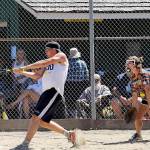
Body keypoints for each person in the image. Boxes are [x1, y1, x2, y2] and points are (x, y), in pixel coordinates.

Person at [12, 41, 78, 149]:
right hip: (46, 92)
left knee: (35, 117)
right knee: (42, 121)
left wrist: (24, 67)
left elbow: (44, 62)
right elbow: (37, 76)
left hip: (54, 91)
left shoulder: (61, 56)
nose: (45, 52)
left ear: (53, 49)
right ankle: (69, 134)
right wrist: (21, 72)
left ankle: (25, 144)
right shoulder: (48, 64)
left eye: (47, 50)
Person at [124, 56, 150, 143]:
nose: (128, 65)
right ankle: (138, 136)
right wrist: (133, 109)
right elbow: (135, 95)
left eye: (131, 63)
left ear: (137, 65)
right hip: (145, 99)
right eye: (128, 63)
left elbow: (148, 88)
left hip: (148, 98)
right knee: (138, 117)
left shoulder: (144, 74)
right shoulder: (133, 78)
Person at [64, 47, 89, 118]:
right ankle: (81, 114)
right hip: (80, 84)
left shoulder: (68, 63)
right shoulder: (82, 62)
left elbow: (65, 74)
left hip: (69, 84)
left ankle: (73, 115)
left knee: (70, 99)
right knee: (79, 98)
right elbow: (86, 74)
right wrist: (86, 83)